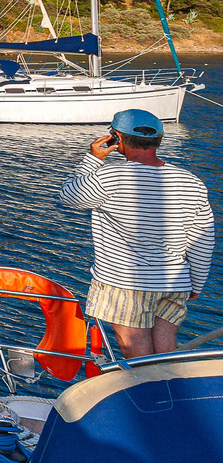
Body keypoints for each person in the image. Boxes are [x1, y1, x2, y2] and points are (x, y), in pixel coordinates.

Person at [60, 108, 214, 357]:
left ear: (117, 138)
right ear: (159, 140)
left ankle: (152, 395)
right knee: (166, 351)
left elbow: (69, 195)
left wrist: (93, 159)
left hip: (125, 283)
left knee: (137, 354)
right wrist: (196, 281)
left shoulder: (108, 176)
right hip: (174, 281)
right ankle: (171, 391)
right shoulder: (190, 181)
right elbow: (202, 238)